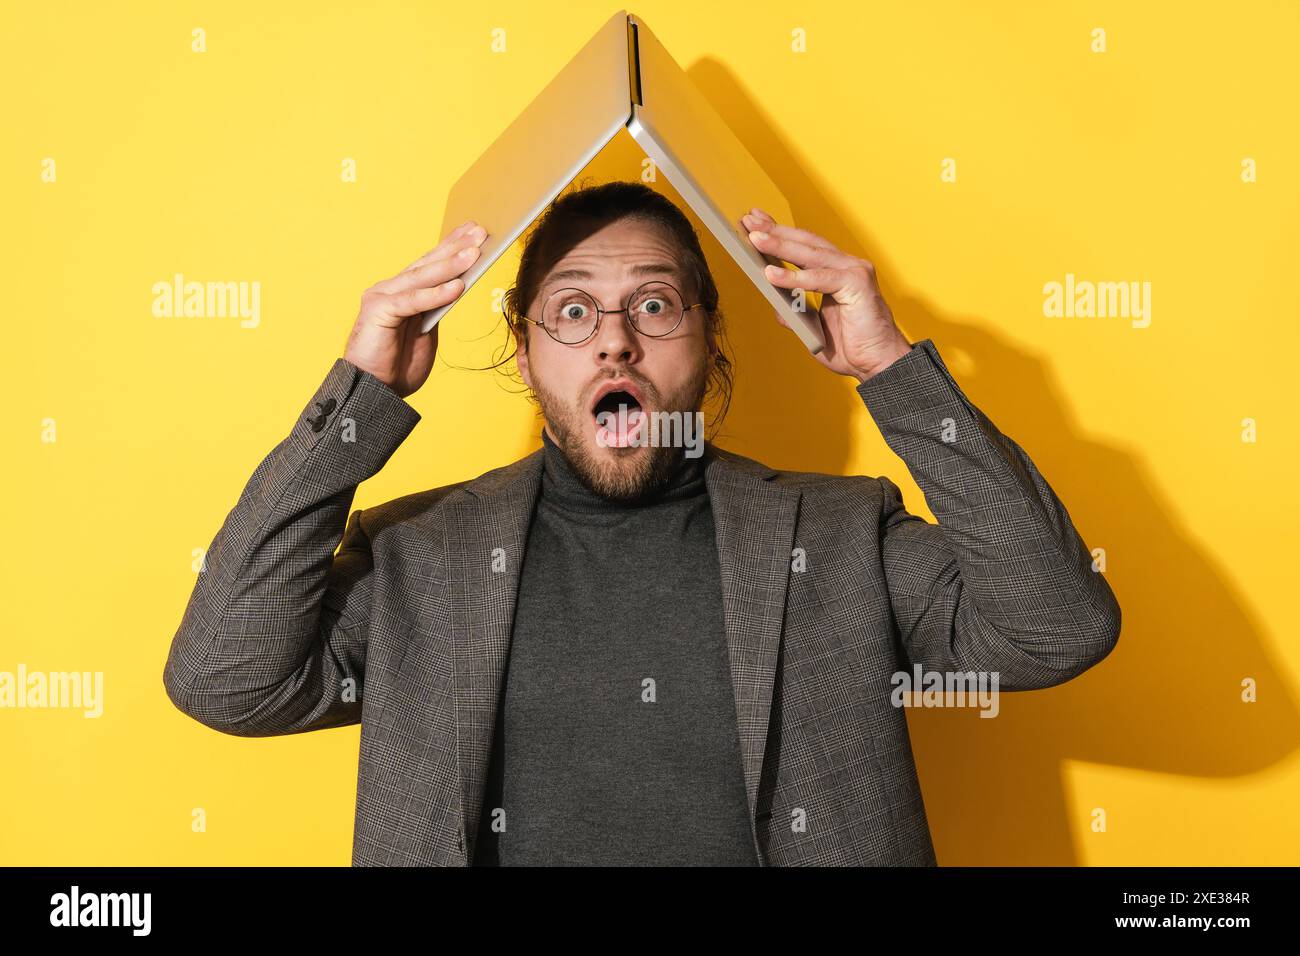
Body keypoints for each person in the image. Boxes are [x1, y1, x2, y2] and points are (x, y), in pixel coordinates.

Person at [163, 181, 1120, 866]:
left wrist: (894, 372)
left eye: (654, 305)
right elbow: (225, 683)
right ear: (528, 355)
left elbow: (1056, 630)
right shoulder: (419, 557)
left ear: (710, 338)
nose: (614, 337)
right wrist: (359, 401)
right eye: (572, 311)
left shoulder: (839, 539)